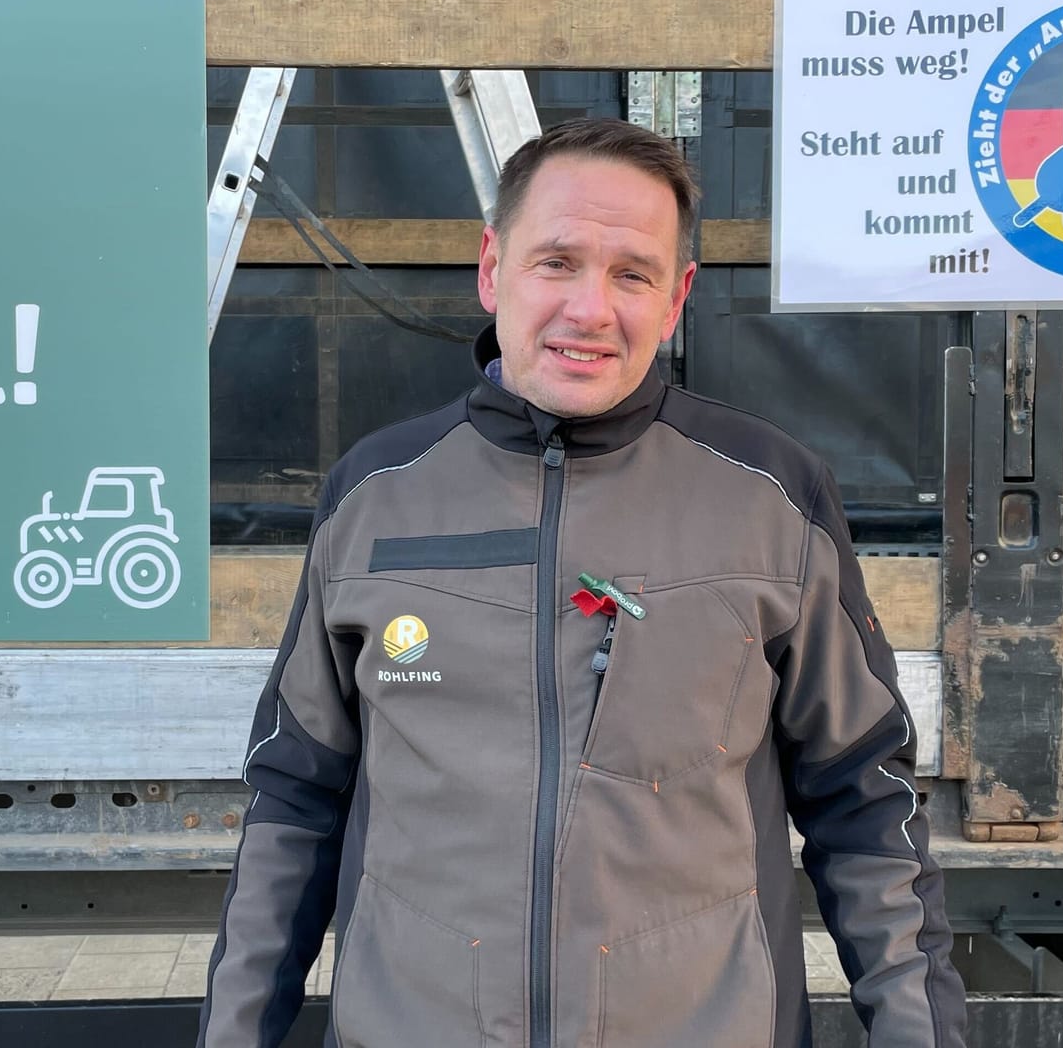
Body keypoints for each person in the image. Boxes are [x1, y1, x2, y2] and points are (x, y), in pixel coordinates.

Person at [195, 116, 967, 1047]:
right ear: (492, 268)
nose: (590, 310)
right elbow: (294, 805)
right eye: (555, 261)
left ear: (677, 297)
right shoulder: (377, 496)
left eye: (631, 273)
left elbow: (866, 803)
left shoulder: (772, 495)